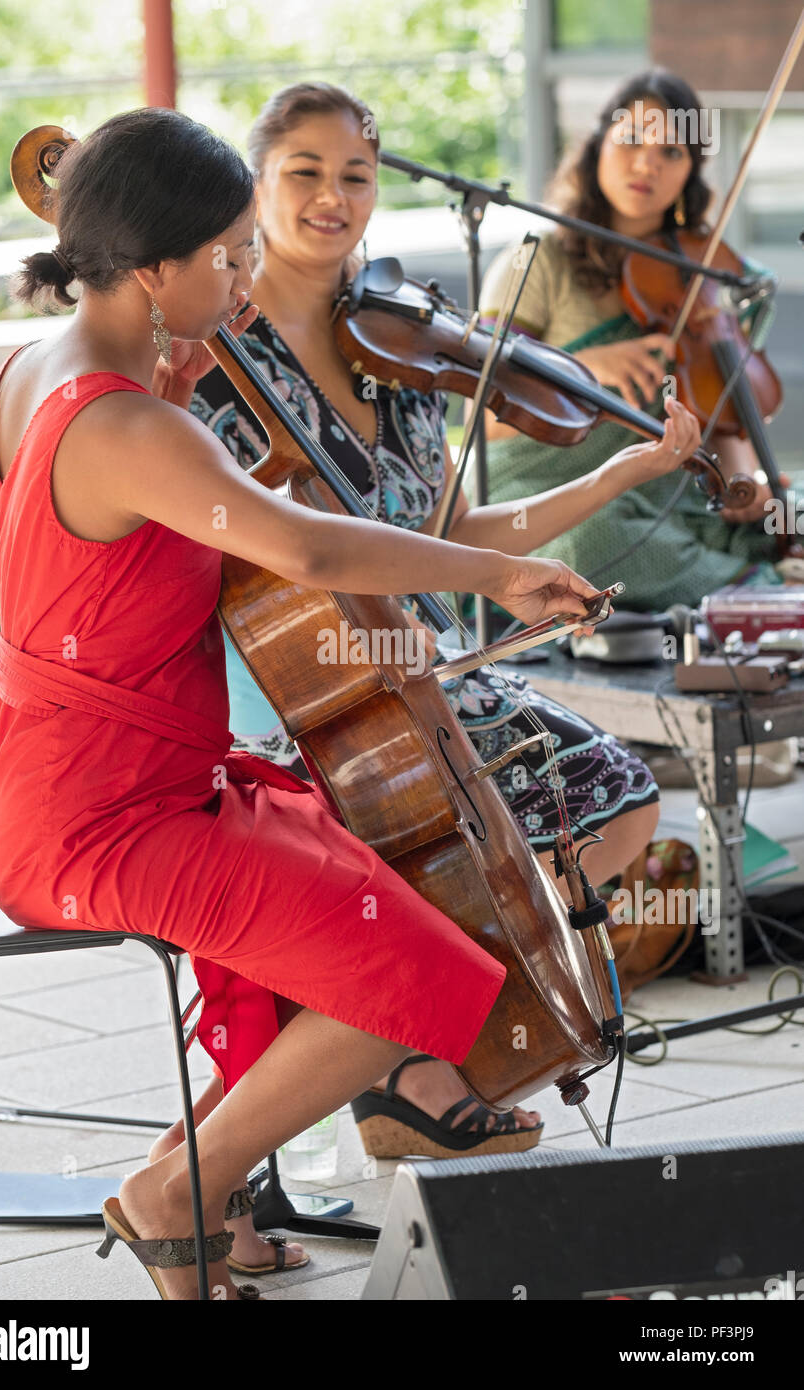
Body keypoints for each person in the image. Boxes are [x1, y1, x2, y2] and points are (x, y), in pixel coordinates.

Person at [0, 107, 605, 1300]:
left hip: (87, 784)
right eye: (225, 257)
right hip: (107, 818)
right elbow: (308, 552)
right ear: (151, 269)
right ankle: (178, 1194)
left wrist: (191, 341)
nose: (244, 277)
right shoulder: (130, 424)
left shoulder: (47, 370)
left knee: (374, 919)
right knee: (424, 977)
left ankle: (190, 1183)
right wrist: (499, 574)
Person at [189, 82, 701, 1160]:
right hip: (294, 674)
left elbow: (455, 523)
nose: (333, 197)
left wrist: (617, 471)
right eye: (305, 172)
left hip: (419, 670)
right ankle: (409, 1069)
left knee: (614, 805)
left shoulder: (398, 348)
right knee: (435, 853)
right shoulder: (215, 349)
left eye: (356, 175)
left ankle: (412, 1048)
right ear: (255, 184)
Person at [480, 68, 785, 616]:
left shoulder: (704, 274)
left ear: (690, 172)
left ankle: (731, 582)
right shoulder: (534, 260)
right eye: (631, 140)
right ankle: (745, 589)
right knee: (592, 540)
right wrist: (583, 370)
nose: (647, 163)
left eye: (672, 151)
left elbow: (721, 413)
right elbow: (481, 415)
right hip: (537, 491)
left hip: (662, 491)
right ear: (597, 147)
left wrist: (744, 483)